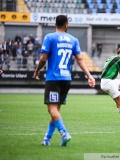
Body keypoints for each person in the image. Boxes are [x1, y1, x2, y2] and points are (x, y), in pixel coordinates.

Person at [33, 15, 95, 146]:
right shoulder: (73, 39)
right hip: (66, 79)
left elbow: (44, 58)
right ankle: (47, 140)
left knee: (52, 110)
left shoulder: (50, 37)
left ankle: (64, 133)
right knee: (56, 112)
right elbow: (80, 60)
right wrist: (89, 76)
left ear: (55, 24)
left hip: (54, 79)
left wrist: (37, 70)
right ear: (66, 24)